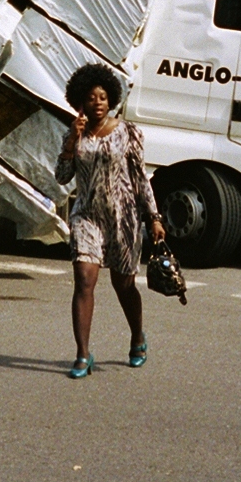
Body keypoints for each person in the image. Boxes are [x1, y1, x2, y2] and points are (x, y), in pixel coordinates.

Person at [55, 62, 164, 378]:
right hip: (87, 218)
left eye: (103, 96)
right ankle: (82, 355)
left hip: (123, 218)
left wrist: (153, 217)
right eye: (91, 97)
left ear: (111, 98)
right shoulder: (74, 135)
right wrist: (69, 145)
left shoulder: (128, 132)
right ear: (81, 102)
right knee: (84, 280)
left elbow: (141, 178)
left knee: (124, 285)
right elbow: (62, 178)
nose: (98, 102)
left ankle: (137, 336)